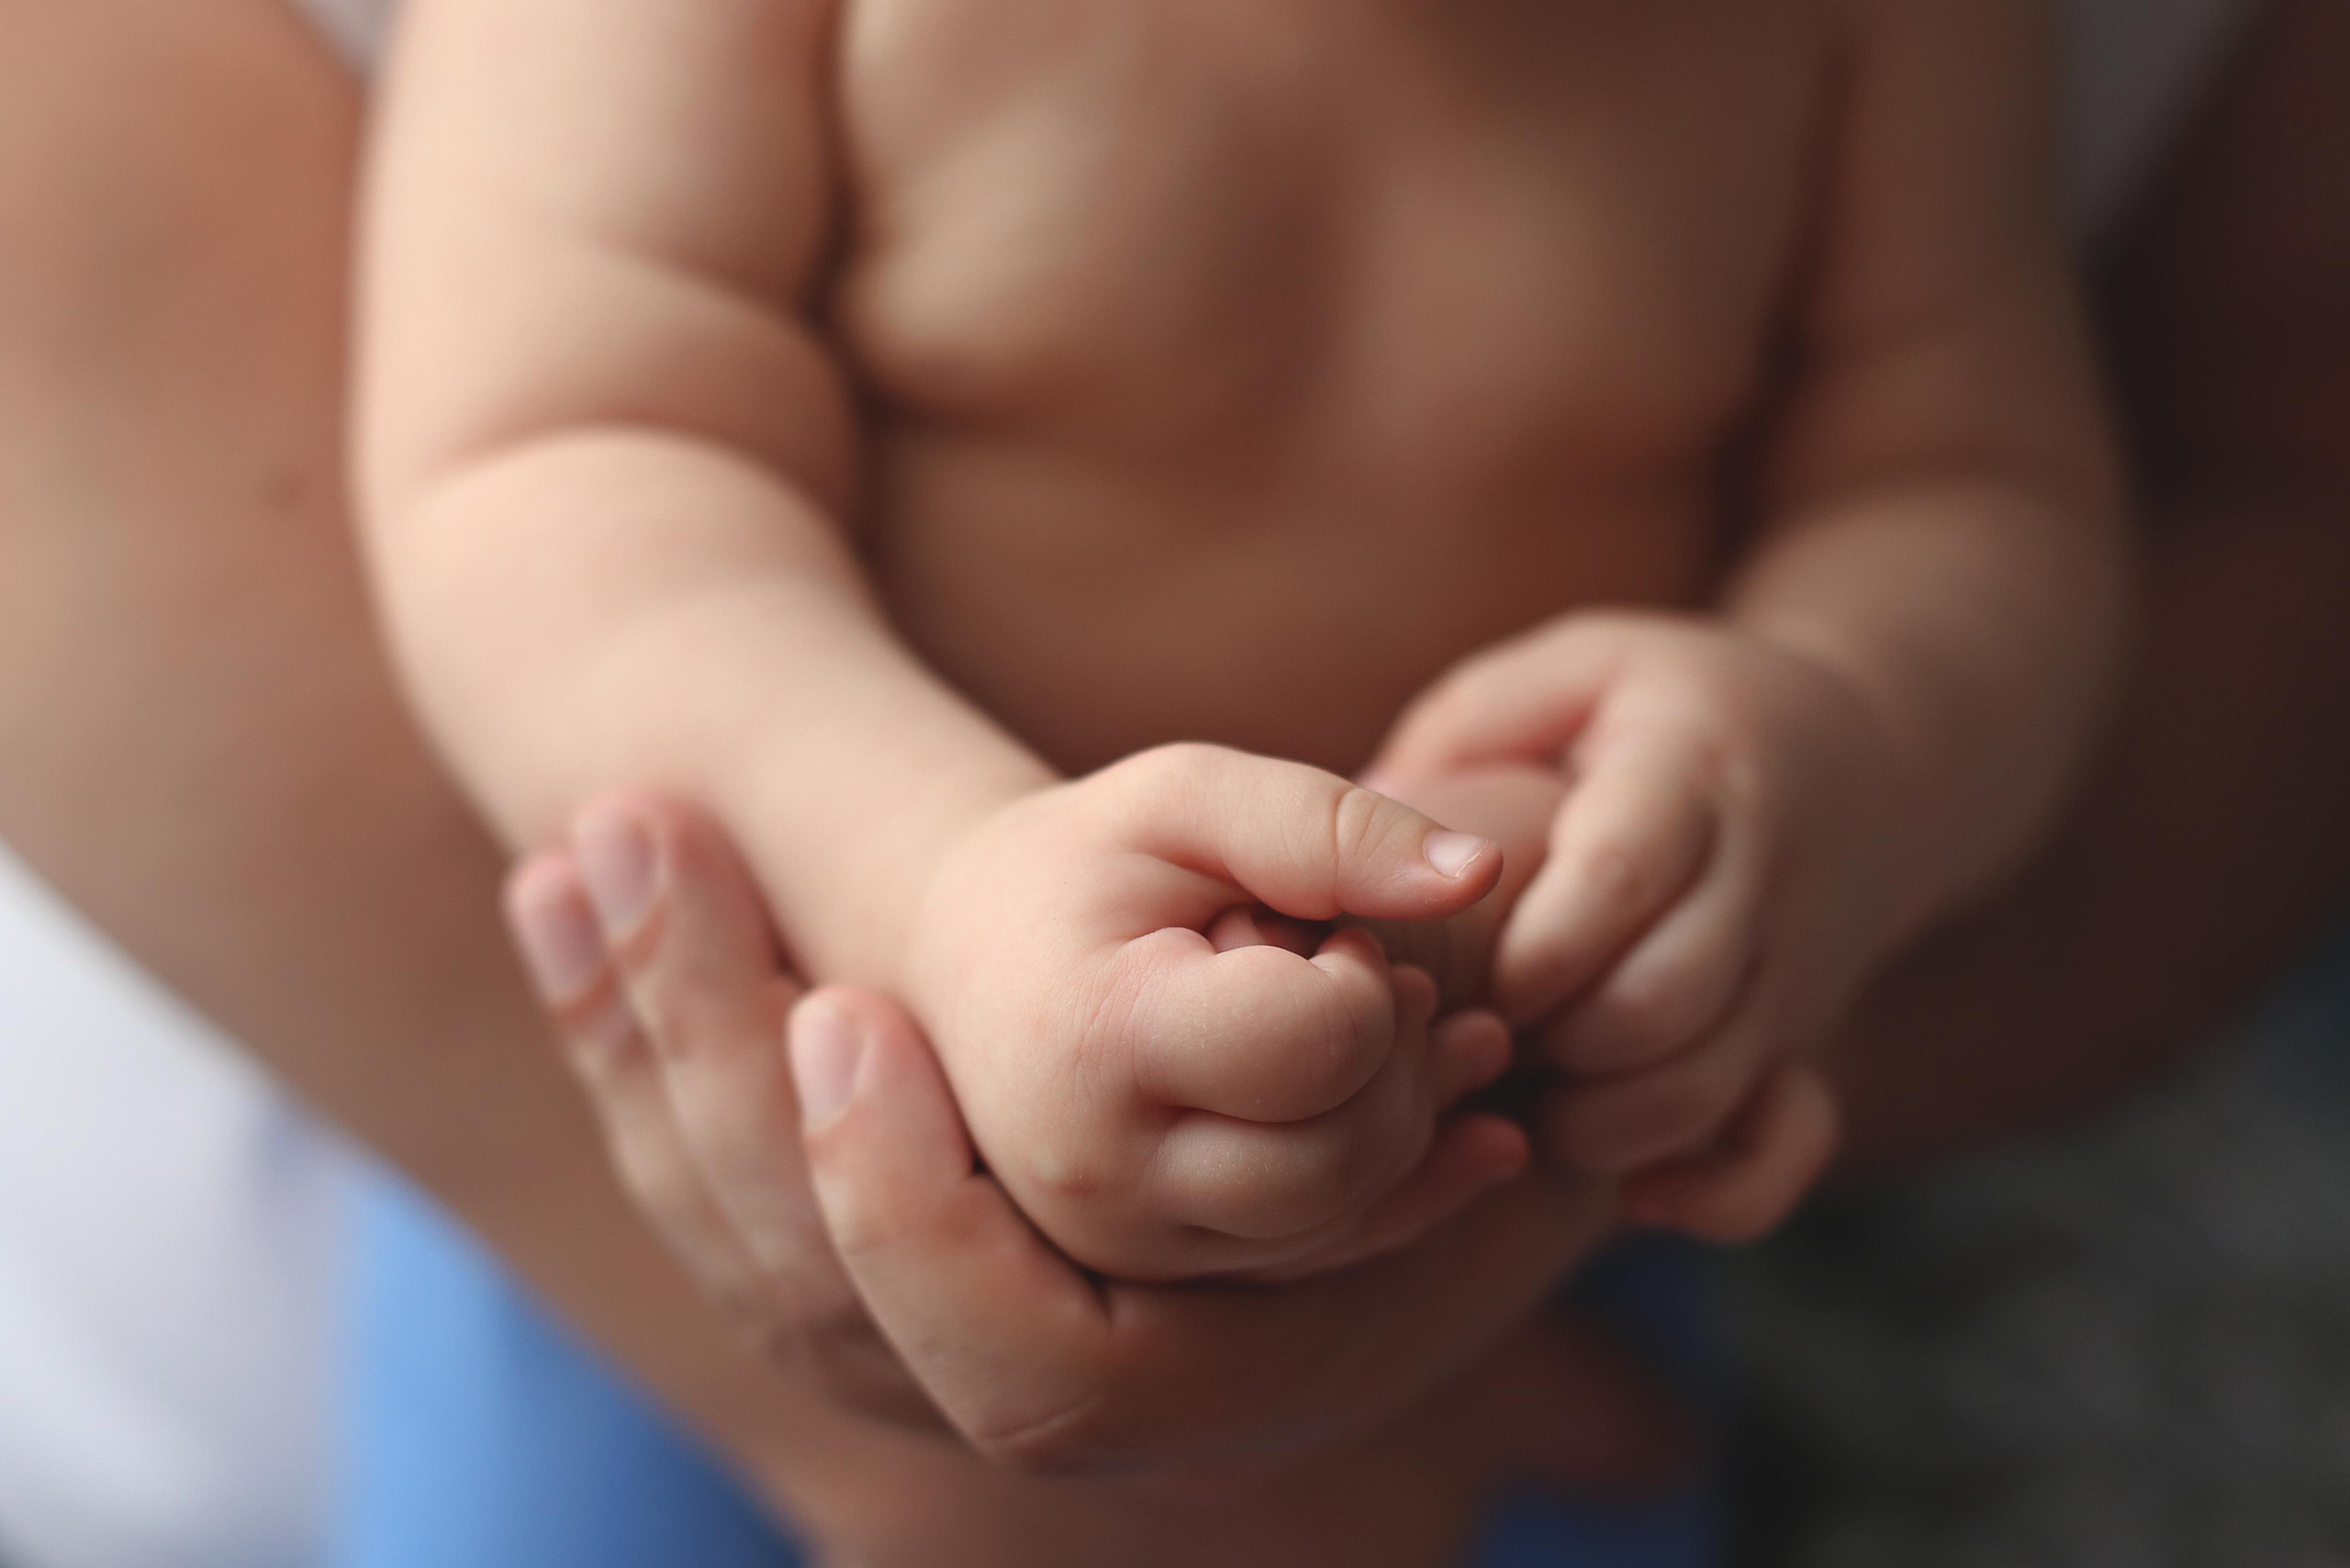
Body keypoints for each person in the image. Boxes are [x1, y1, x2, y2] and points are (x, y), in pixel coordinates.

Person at [0, 0, 2341, 1562]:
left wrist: (1833, 744)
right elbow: (550, 462)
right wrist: (931, 889)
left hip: (1522, 1244)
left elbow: (1972, 483)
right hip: (713, 1217)